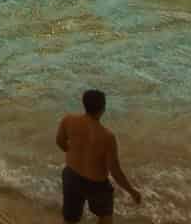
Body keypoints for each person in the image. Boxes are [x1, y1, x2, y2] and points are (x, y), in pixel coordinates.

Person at [55, 89, 141, 222]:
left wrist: (74, 154)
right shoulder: (107, 137)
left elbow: (60, 142)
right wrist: (132, 191)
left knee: (70, 219)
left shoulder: (68, 120)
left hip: (72, 175)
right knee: (105, 219)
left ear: (84, 104)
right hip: (96, 184)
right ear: (103, 108)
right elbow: (115, 171)